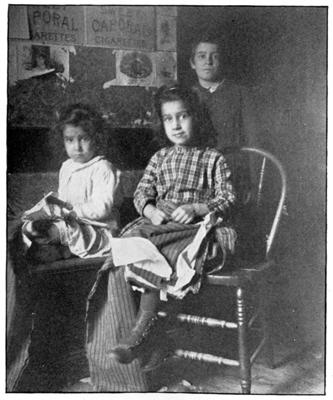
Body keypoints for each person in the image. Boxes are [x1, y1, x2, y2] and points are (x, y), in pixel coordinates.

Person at [97, 84, 236, 371]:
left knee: (168, 252)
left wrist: (198, 208)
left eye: (183, 116)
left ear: (196, 118)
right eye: (169, 118)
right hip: (160, 223)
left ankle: (141, 335)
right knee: (131, 243)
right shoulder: (159, 157)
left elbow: (227, 197)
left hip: (193, 227)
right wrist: (151, 209)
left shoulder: (212, 158)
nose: (176, 124)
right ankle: (149, 334)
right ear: (162, 123)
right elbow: (141, 193)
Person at [21, 103, 123, 262]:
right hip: (71, 222)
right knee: (29, 226)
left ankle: (57, 248)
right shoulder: (67, 167)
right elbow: (63, 199)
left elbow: (101, 208)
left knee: (61, 231)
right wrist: (52, 209)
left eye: (84, 139)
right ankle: (55, 247)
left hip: (98, 229)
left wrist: (70, 213)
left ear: (96, 139)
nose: (77, 147)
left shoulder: (102, 168)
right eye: (70, 140)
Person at [189, 33, 260, 197]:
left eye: (214, 56)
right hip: (195, 178)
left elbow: (254, 141)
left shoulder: (241, 94)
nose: (208, 61)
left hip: (233, 177)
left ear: (221, 61)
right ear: (193, 63)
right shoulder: (186, 96)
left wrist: (255, 185)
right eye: (201, 56)